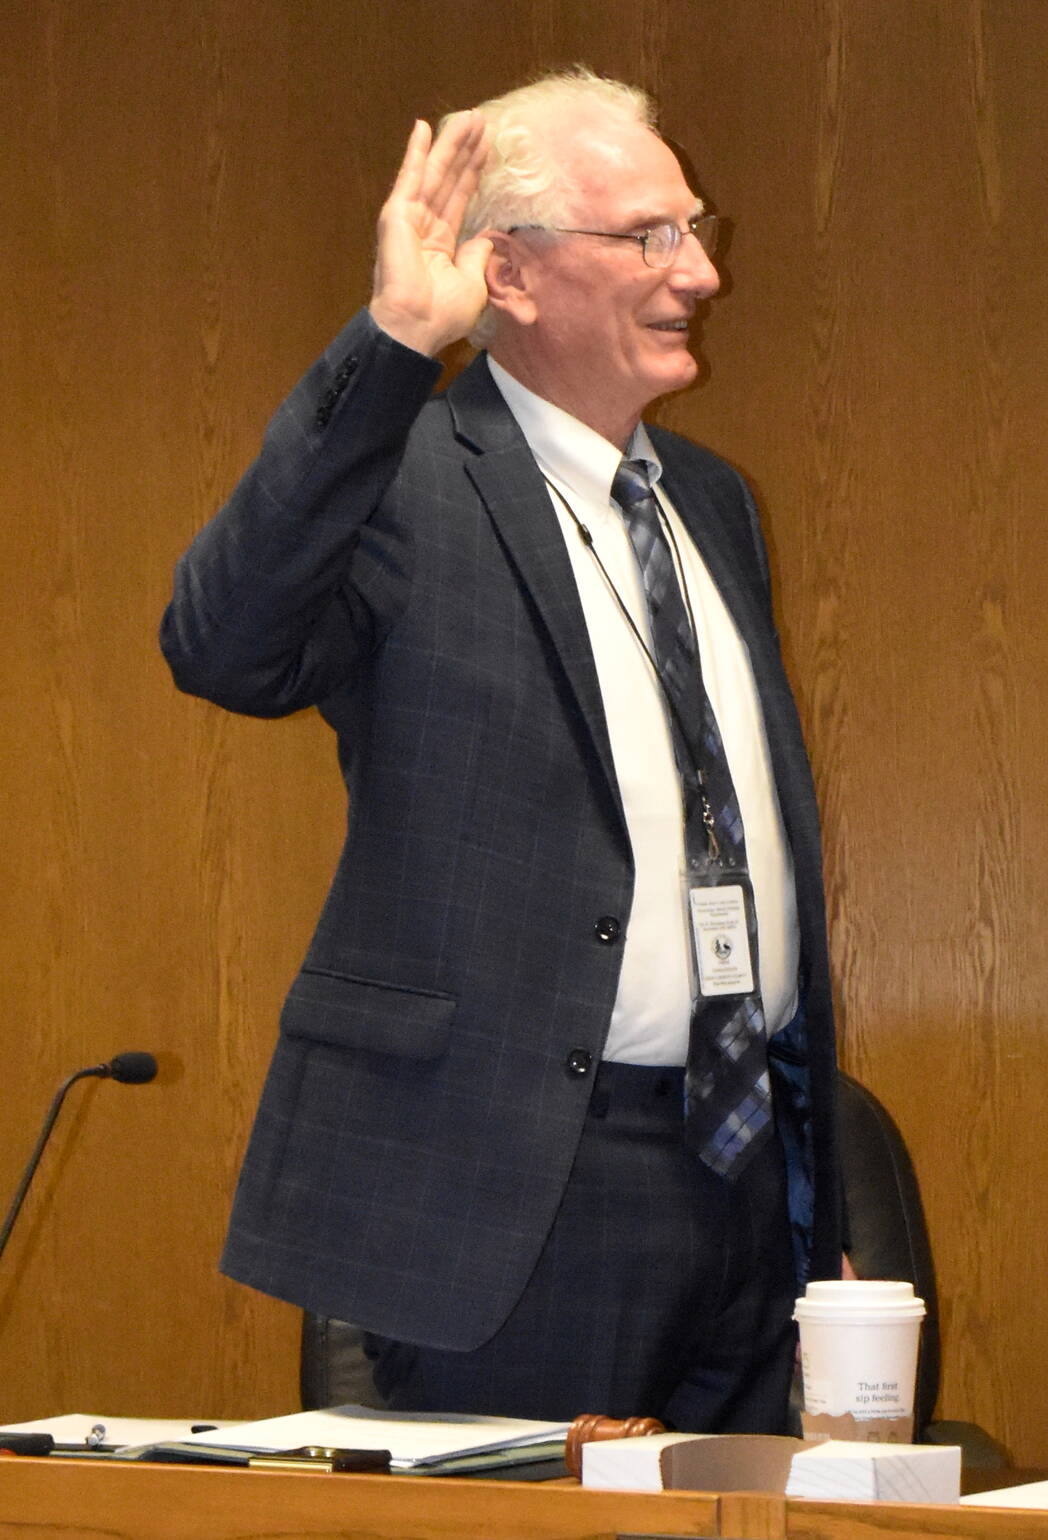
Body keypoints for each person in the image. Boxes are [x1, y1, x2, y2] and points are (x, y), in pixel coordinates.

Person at [161, 70, 839, 1431]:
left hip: (746, 1170)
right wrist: (396, 341)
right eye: (646, 236)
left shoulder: (710, 501)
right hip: (514, 1181)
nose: (698, 271)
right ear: (509, 274)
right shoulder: (403, 472)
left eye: (692, 228)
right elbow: (221, 646)